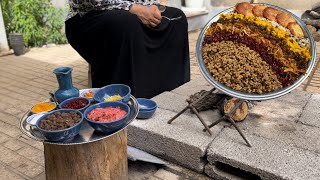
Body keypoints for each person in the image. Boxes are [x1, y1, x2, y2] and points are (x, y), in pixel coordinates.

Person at [65, 0, 190, 98]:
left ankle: (168, 95)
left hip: (132, 11)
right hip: (90, 14)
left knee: (177, 18)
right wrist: (134, 9)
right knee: (127, 24)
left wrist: (151, 6)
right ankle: (122, 102)